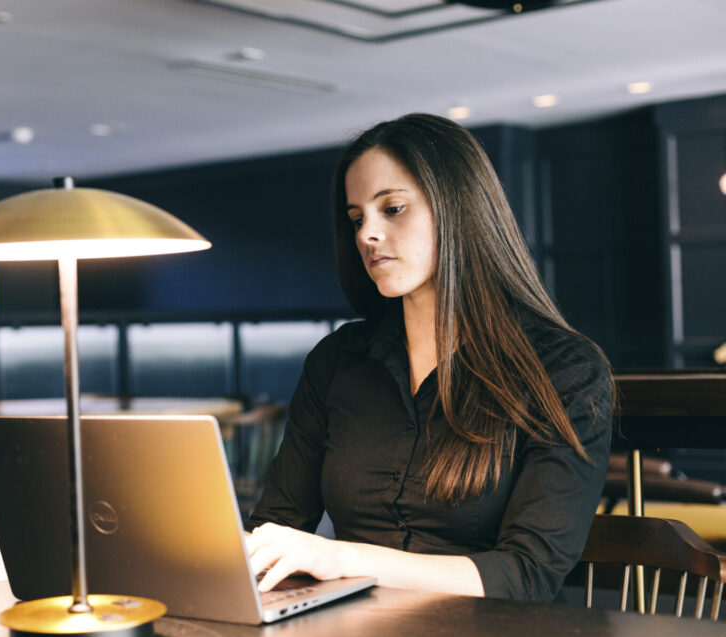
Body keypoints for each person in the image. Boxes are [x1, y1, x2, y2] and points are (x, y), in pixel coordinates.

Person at [245, 113, 613, 602]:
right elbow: (277, 526)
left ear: (458, 208)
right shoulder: (337, 361)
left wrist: (342, 557)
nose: (366, 235)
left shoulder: (564, 369)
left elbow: (527, 575)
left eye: (392, 208)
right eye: (357, 219)